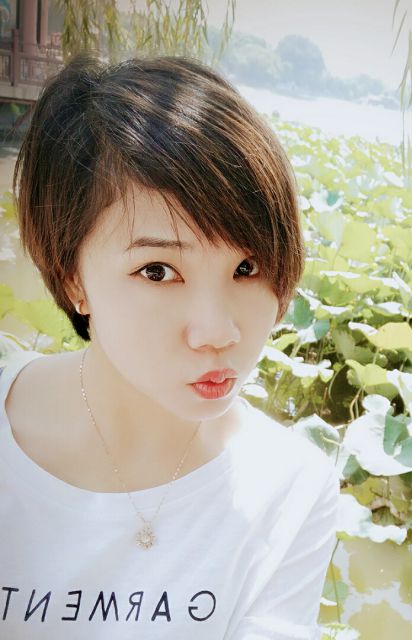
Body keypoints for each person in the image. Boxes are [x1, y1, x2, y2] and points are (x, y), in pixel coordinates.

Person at [0, 53, 340, 639]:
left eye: (248, 267)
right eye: (157, 271)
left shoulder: (290, 490)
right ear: (73, 276)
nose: (219, 332)